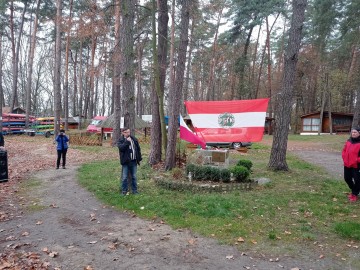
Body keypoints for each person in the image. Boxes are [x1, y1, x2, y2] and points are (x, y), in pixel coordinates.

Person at [117, 127, 142, 195]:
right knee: (124, 177)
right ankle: (124, 191)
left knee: (134, 176)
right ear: (122, 133)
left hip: (134, 161)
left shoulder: (134, 139)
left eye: (129, 132)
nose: (128, 133)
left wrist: (139, 159)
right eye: (126, 132)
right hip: (126, 162)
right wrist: (127, 142)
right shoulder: (121, 140)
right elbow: (121, 148)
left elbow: (138, 149)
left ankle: (135, 190)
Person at [341, 128, 360, 202]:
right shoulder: (349, 141)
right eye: (352, 132)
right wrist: (344, 157)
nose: (353, 134)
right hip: (347, 164)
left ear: (359, 133)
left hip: (356, 166)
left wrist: (356, 160)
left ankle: (354, 194)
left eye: (355, 132)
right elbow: (344, 150)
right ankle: (354, 191)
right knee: (347, 179)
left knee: (357, 180)